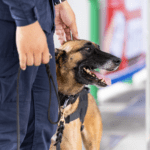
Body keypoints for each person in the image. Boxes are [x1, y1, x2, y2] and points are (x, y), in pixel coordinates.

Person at [0, 0, 78, 149]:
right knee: (8, 130)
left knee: (40, 125)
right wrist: (25, 19)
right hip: (13, 24)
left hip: (38, 22)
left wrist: (58, 2)